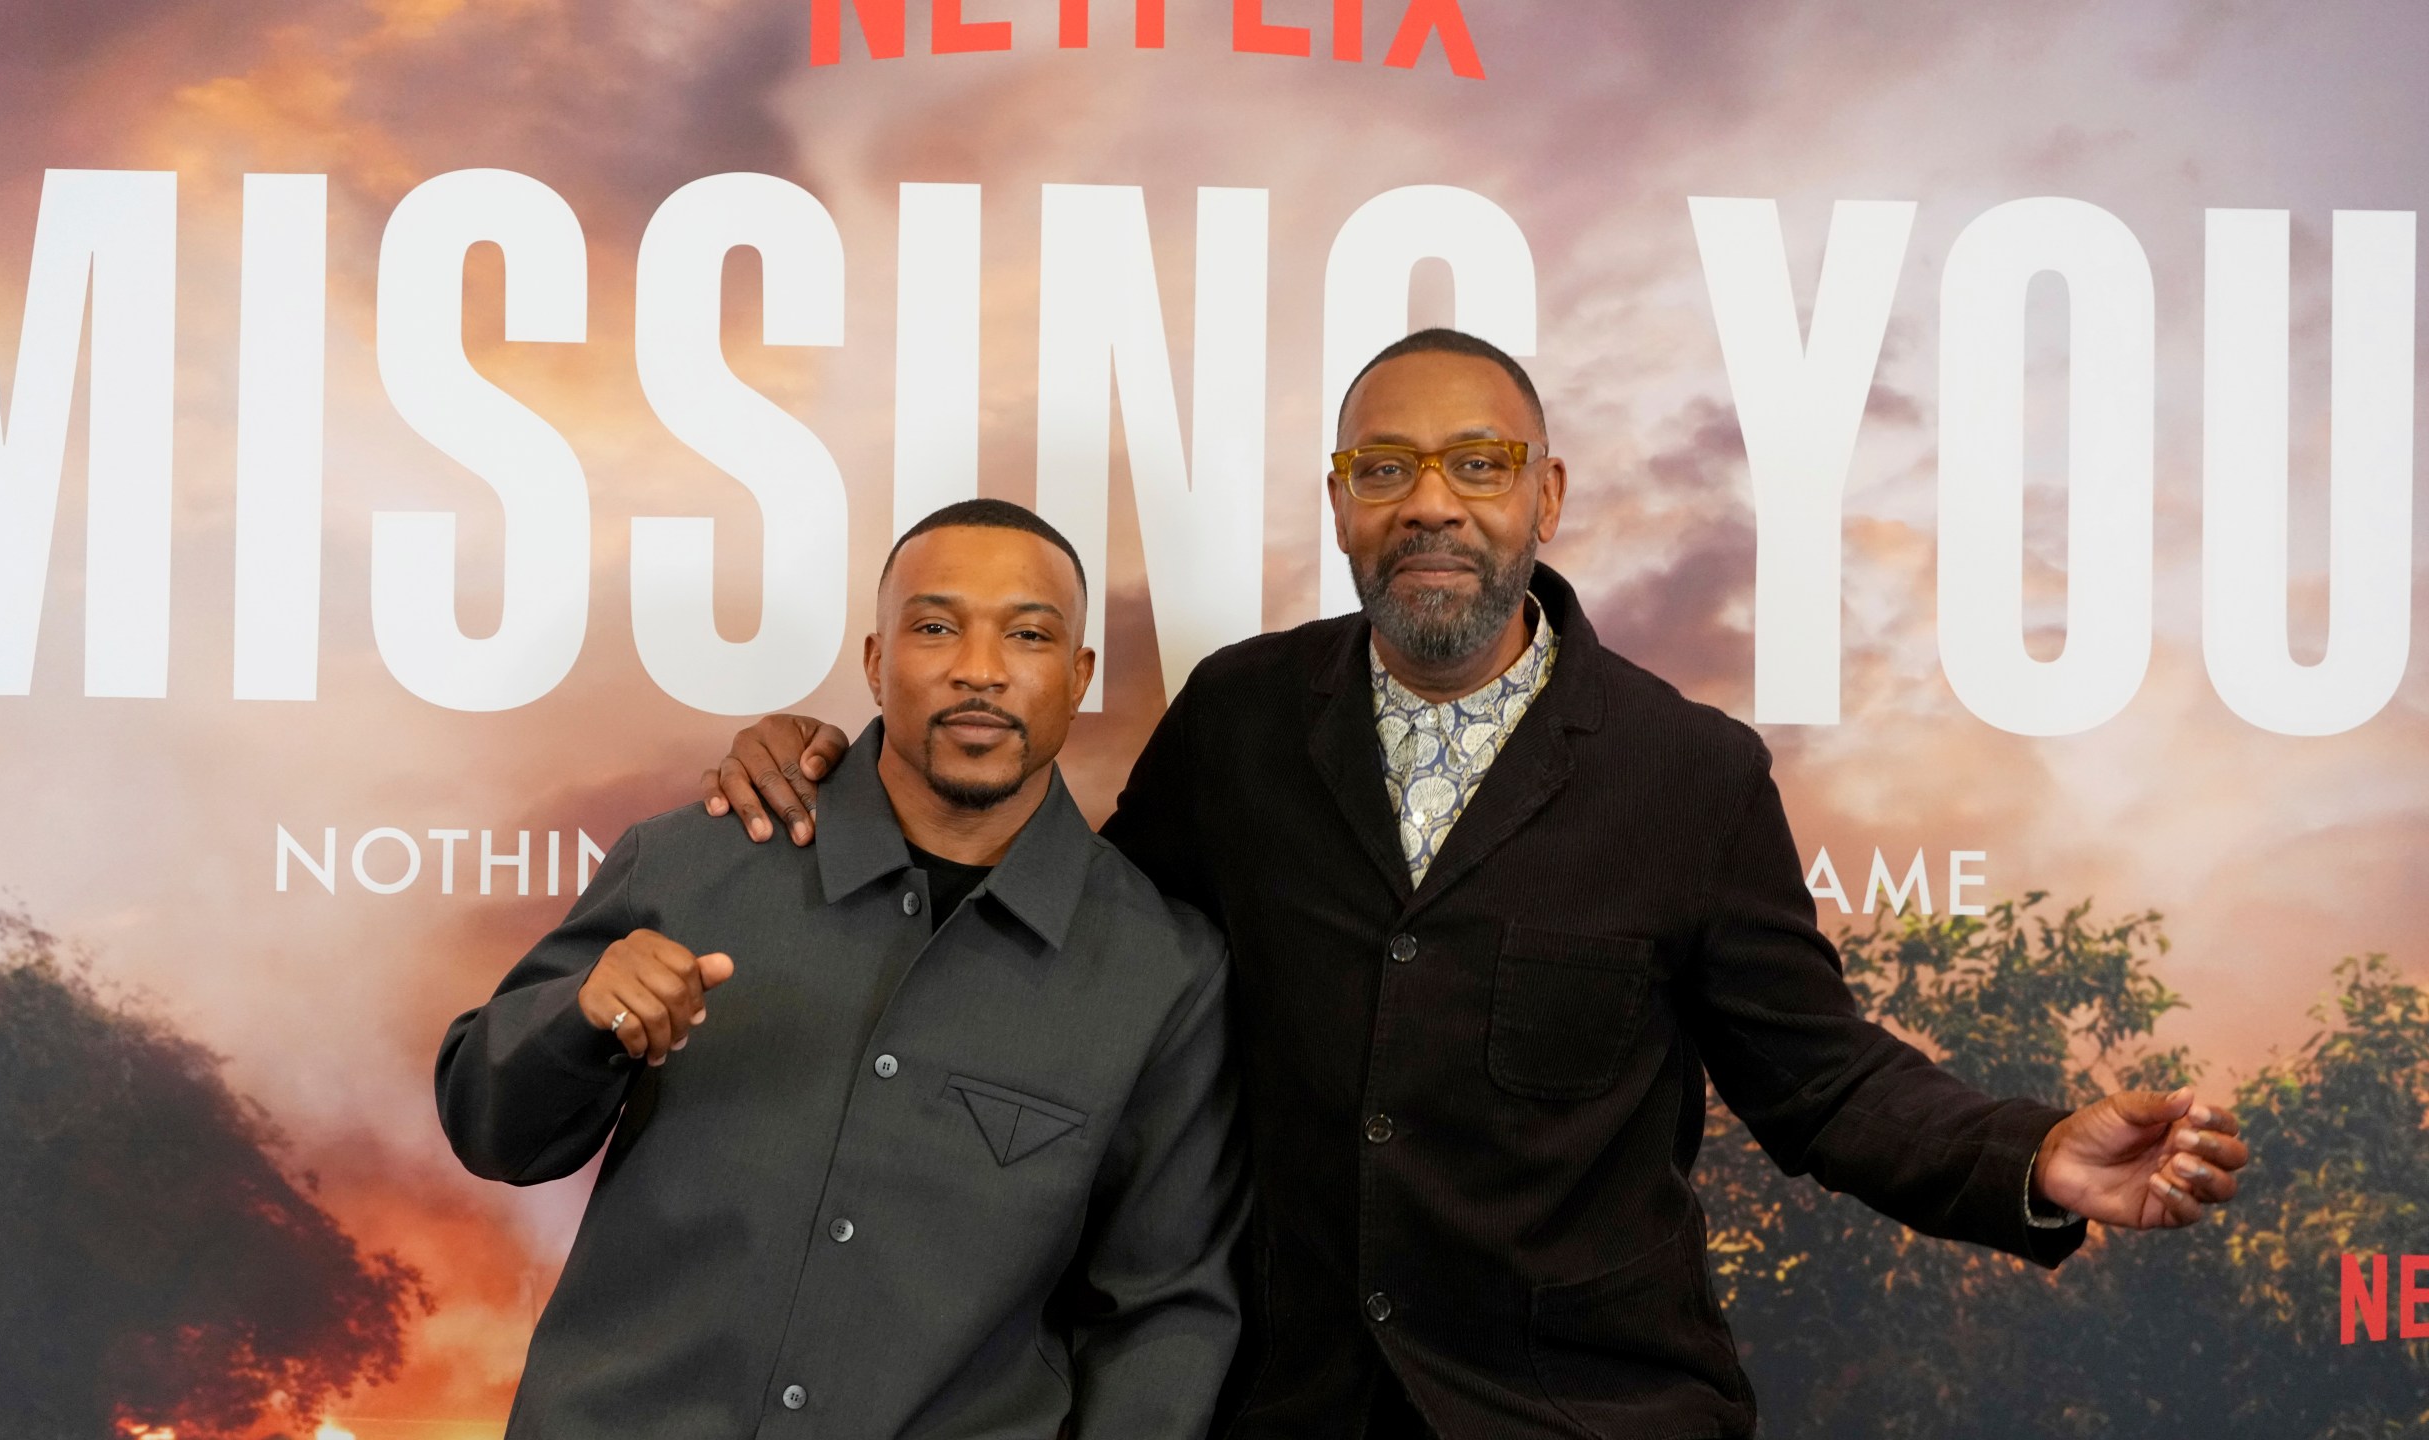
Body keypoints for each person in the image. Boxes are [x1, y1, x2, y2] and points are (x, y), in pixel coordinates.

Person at [706, 330, 2252, 1439]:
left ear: (1548, 496)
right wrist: (854, 769)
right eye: (1386, 466)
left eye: (1476, 462)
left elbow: (1823, 1081)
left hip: (1586, 1410)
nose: (1430, 500)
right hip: (1285, 1404)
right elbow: (1069, 956)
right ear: (1340, 504)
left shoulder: (1687, 772)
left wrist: (2037, 1157)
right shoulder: (1242, 722)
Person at [438, 500, 1245, 1439]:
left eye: (1027, 635)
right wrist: (577, 1021)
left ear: (1078, 677)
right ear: (874, 661)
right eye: (935, 627)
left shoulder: (1164, 975)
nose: (978, 670)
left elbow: (1165, 1313)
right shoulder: (693, 861)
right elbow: (485, 1127)